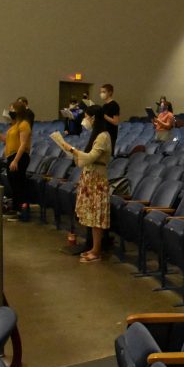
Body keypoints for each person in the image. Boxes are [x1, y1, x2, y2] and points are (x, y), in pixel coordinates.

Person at [60, 106, 112, 263]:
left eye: (87, 117)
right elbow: (84, 159)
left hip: (97, 179)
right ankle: (93, 248)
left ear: (94, 118)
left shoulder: (103, 136)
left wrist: (72, 149)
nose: (85, 120)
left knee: (96, 218)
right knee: (90, 216)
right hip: (90, 178)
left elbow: (90, 157)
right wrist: (72, 153)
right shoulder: (95, 135)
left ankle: (97, 251)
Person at [0, 101, 32, 221]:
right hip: (11, 157)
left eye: (12, 109)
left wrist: (16, 161)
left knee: (18, 184)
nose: (10, 112)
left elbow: (23, 144)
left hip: (20, 157)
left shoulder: (24, 125)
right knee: (13, 184)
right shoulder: (14, 125)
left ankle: (20, 210)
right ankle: (15, 208)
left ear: (18, 111)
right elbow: (6, 140)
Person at [100, 84, 120, 155]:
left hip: (111, 134)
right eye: (101, 92)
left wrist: (104, 116)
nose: (101, 94)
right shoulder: (104, 106)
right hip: (103, 133)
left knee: (108, 155)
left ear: (110, 93)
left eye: (104, 92)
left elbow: (116, 122)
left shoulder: (114, 105)